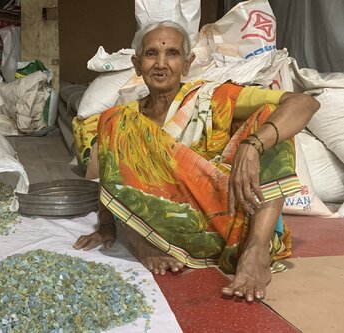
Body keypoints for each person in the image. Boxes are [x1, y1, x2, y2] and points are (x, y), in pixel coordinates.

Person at [73, 20, 320, 302]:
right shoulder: (122, 119)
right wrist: (106, 225)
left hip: (221, 220)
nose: (161, 64)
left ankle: (255, 251)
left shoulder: (209, 97)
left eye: (173, 54)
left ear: (187, 64)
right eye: (151, 54)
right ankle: (140, 241)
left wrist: (251, 145)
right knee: (113, 122)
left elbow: (303, 102)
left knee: (271, 118)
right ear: (137, 64)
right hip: (159, 229)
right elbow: (113, 179)